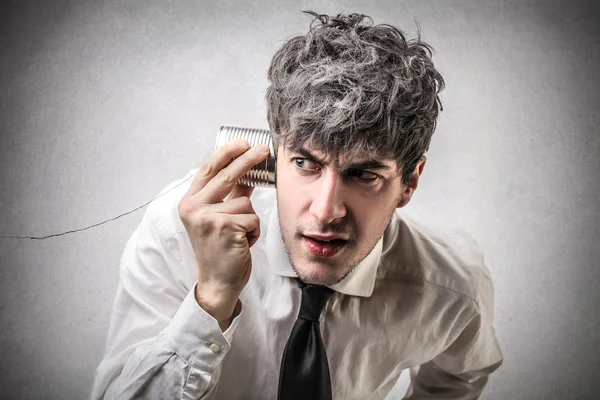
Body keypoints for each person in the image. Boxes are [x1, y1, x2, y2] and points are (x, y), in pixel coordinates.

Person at [91, 11, 503, 400]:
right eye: (306, 163)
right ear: (271, 157)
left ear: (409, 182)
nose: (325, 212)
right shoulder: (176, 232)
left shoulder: (452, 285)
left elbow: (458, 377)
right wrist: (212, 298)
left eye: (363, 174)